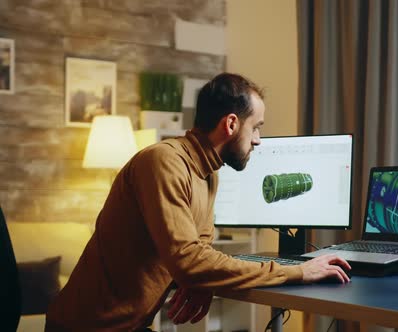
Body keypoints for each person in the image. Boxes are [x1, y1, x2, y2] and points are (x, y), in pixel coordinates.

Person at [45, 73, 351, 331]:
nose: (258, 140)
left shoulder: (208, 174)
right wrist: (299, 271)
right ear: (231, 124)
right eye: (256, 127)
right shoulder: (163, 161)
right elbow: (190, 262)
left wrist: (202, 280)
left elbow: (199, 253)